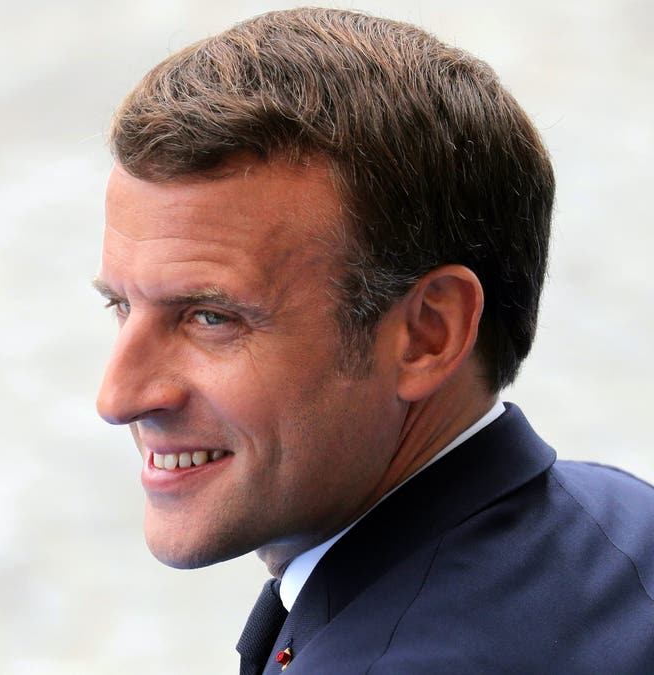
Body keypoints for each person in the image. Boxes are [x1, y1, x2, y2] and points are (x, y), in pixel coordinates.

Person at [93, 8, 654, 673]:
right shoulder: (629, 526)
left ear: (428, 334)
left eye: (210, 317)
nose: (118, 396)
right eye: (121, 305)